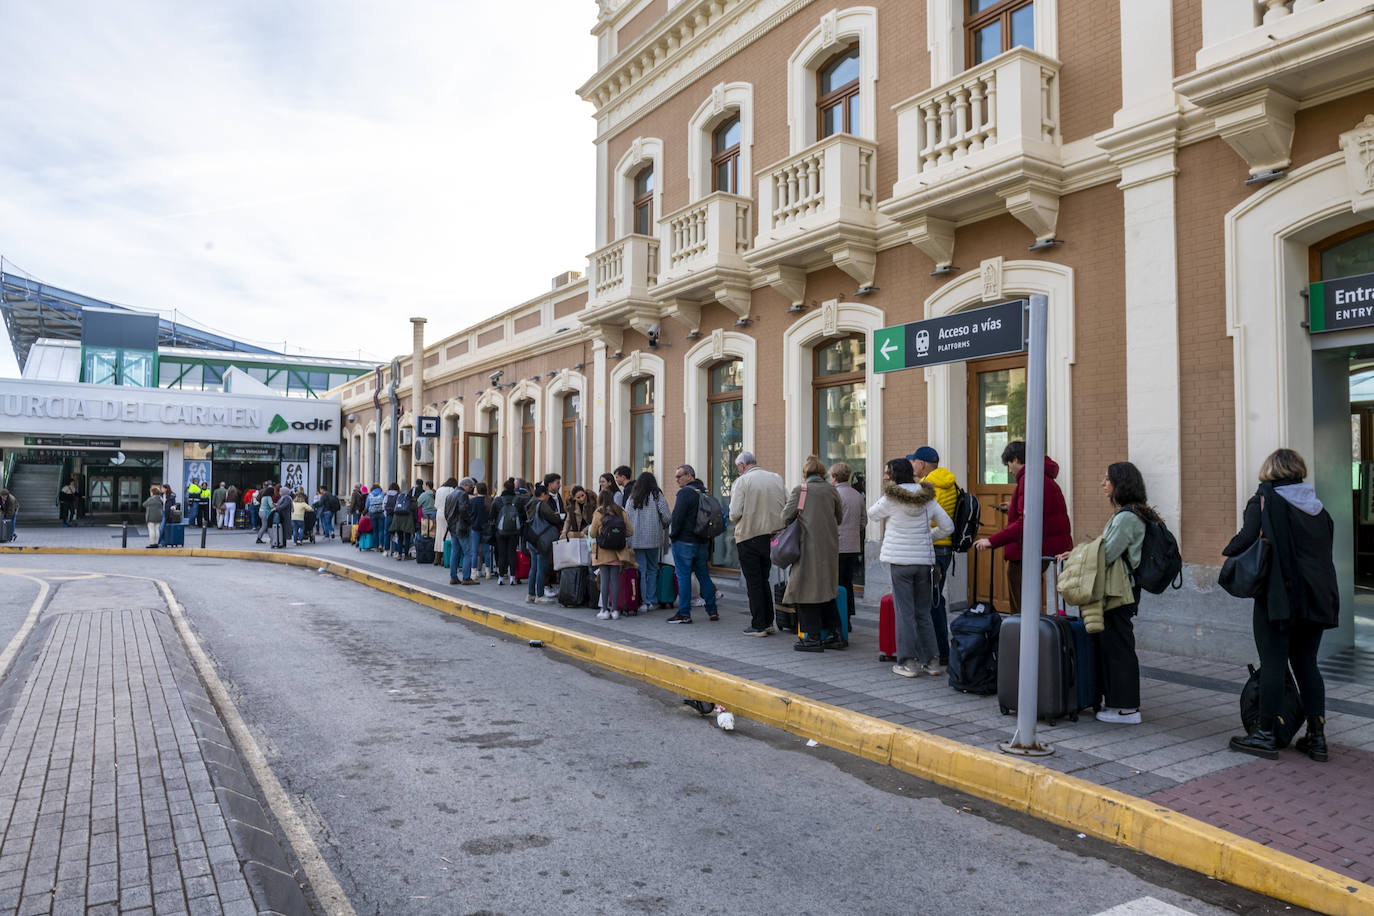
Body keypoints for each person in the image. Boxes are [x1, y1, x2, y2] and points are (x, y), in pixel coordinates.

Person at [1223, 448, 1339, 761]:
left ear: (1270, 471)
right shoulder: (1317, 507)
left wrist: (1227, 550)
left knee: (1273, 662)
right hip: (1317, 597)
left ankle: (1264, 734)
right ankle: (1317, 738)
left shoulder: (1263, 499)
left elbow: (1246, 538)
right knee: (1307, 665)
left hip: (1278, 597)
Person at [1064, 461, 1157, 724]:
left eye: (1108, 479)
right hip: (1119, 590)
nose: (1103, 483)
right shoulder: (1131, 513)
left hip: (1120, 592)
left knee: (1118, 649)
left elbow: (1105, 553)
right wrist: (1078, 552)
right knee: (1113, 646)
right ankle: (1116, 703)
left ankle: (1127, 708)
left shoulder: (1127, 517)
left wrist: (1077, 556)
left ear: (1121, 484)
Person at [869, 457, 954, 675]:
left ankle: (907, 662)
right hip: (924, 562)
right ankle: (932, 661)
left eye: (887, 471)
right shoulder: (927, 498)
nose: (885, 475)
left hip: (900, 563)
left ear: (894, 474)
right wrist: (928, 536)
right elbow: (948, 526)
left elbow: (872, 514)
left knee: (905, 612)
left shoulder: (892, 497)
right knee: (923, 612)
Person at [973, 440, 1072, 613]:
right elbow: (1040, 512)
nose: (1009, 469)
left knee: (1021, 605)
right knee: (1031, 600)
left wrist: (991, 541)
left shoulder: (1029, 479)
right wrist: (1012, 508)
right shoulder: (1043, 476)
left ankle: (1022, 638)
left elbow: (1025, 524)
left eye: (1009, 464)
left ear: (1017, 460)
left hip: (1027, 550)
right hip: (1044, 547)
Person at [780, 456, 846, 651]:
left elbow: (785, 517)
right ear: (823, 473)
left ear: (805, 473)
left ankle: (812, 638)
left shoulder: (802, 490)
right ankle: (836, 634)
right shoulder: (831, 490)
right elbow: (840, 517)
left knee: (804, 591)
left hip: (807, 547)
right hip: (829, 547)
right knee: (826, 591)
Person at [909, 446, 959, 665]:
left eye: (913, 462)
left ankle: (938, 651)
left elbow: (923, 519)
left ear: (921, 464)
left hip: (932, 546)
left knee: (930, 601)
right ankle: (941, 650)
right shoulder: (952, 483)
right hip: (946, 547)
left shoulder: (926, 486)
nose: (912, 466)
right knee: (936, 597)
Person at [730, 452, 787, 636]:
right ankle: (769, 622)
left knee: (754, 582)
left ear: (742, 466)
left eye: (737, 467)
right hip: (770, 536)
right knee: (764, 579)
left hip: (748, 535)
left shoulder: (742, 481)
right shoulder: (775, 478)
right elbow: (787, 503)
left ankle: (758, 624)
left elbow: (734, 513)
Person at [667, 465, 719, 623]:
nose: (677, 480)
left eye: (679, 476)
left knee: (683, 577)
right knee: (704, 576)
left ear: (690, 476)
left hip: (684, 541)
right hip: (702, 542)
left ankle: (684, 613)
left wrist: (673, 536)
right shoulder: (704, 492)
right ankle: (712, 611)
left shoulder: (685, 493)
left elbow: (677, 518)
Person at [624, 471, 671, 615]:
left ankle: (643, 602)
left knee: (641, 571)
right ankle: (651, 600)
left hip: (636, 540)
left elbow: (626, 517)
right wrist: (662, 526)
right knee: (652, 569)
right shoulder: (657, 496)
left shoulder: (632, 498)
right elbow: (667, 516)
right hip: (653, 540)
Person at [829, 461, 867, 627]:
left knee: (835, 584)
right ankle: (848, 618)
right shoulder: (857, 495)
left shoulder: (833, 495)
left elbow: (829, 520)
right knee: (848, 583)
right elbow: (863, 521)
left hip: (836, 546)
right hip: (852, 546)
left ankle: (838, 619)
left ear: (835, 477)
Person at [588, 489, 636, 619]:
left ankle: (604, 610)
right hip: (618, 551)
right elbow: (630, 531)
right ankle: (615, 611)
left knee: (604, 580)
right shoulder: (620, 511)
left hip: (603, 550)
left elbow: (592, 533)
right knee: (615, 580)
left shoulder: (599, 512)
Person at [525, 482, 561, 604]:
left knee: (533, 568)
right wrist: (557, 516)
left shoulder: (530, 504)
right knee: (541, 568)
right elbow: (554, 519)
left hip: (532, 539)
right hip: (542, 541)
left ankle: (530, 594)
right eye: (547, 495)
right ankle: (539, 595)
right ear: (544, 494)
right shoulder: (542, 505)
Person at [446, 478, 476, 585]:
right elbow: (464, 510)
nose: (471, 489)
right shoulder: (463, 495)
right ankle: (466, 577)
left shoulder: (450, 495)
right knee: (468, 552)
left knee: (455, 552)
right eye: (471, 487)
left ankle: (453, 577)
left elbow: (446, 512)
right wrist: (469, 521)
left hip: (453, 527)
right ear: (465, 485)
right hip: (462, 527)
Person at [492, 479, 521, 585]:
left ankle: (501, 577)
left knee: (501, 554)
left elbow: (492, 515)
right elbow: (522, 515)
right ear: (513, 488)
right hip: (514, 531)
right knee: (512, 553)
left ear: (504, 488)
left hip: (500, 531)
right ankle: (512, 577)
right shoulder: (518, 500)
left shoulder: (498, 500)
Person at [434, 478, 457, 558]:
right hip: (447, 513)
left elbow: (436, 505)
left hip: (439, 513)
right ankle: (445, 556)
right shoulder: (451, 490)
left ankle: (437, 556)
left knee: (439, 533)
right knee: (447, 534)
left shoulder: (439, 490)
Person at [366, 483, 387, 552]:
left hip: (372, 513)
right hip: (381, 513)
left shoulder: (370, 495)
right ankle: (381, 545)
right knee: (381, 530)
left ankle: (376, 547)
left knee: (375, 531)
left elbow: (367, 505)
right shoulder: (382, 494)